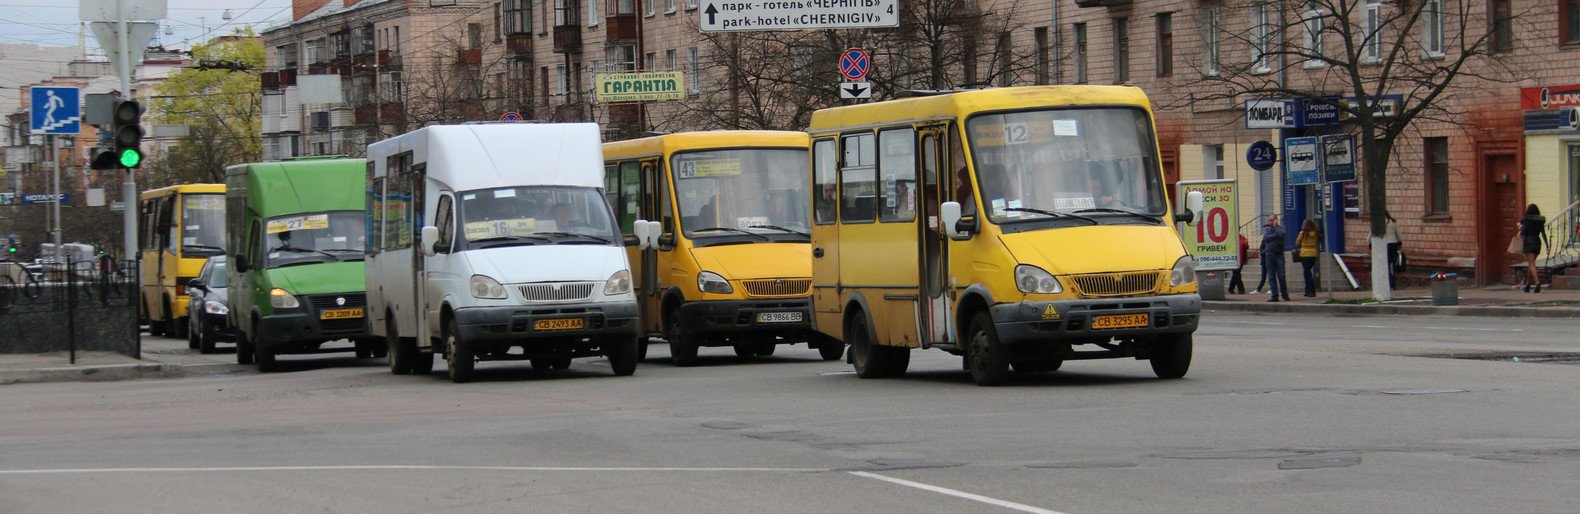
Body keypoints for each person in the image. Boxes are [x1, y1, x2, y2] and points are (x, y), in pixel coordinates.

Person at [1518, 204, 1550, 293]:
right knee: (1531, 264)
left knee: (1531, 264)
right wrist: (1547, 245)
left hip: (1528, 242)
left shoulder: (1526, 220)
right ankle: (1528, 285)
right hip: (1537, 242)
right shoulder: (1540, 220)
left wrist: (1520, 229)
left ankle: (1537, 283)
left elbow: (1523, 232)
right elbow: (1543, 233)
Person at [1261, 214, 1289, 302]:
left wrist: (1275, 227)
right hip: (1269, 254)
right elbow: (1266, 238)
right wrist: (1275, 236)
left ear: (1276, 220)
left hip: (1279, 254)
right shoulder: (1266, 229)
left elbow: (1282, 234)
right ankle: (1274, 295)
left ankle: (1285, 294)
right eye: (1269, 220)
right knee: (1271, 276)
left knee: (1281, 275)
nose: (1270, 222)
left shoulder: (1281, 227)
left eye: (1272, 220)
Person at [1296, 218, 1321, 297]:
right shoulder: (1315, 233)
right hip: (1313, 254)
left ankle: (1312, 291)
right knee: (1307, 272)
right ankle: (1307, 290)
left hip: (1304, 254)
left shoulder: (1302, 233)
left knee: (1307, 273)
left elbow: (1297, 242)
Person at [1383, 211, 1402, 289]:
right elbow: (1398, 234)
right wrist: (1400, 242)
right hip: (1393, 244)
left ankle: (1388, 284)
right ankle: (1392, 284)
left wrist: (1369, 242)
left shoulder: (1379, 221)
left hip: (1385, 245)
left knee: (1386, 265)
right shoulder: (1393, 221)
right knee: (1391, 264)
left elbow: (1372, 233)